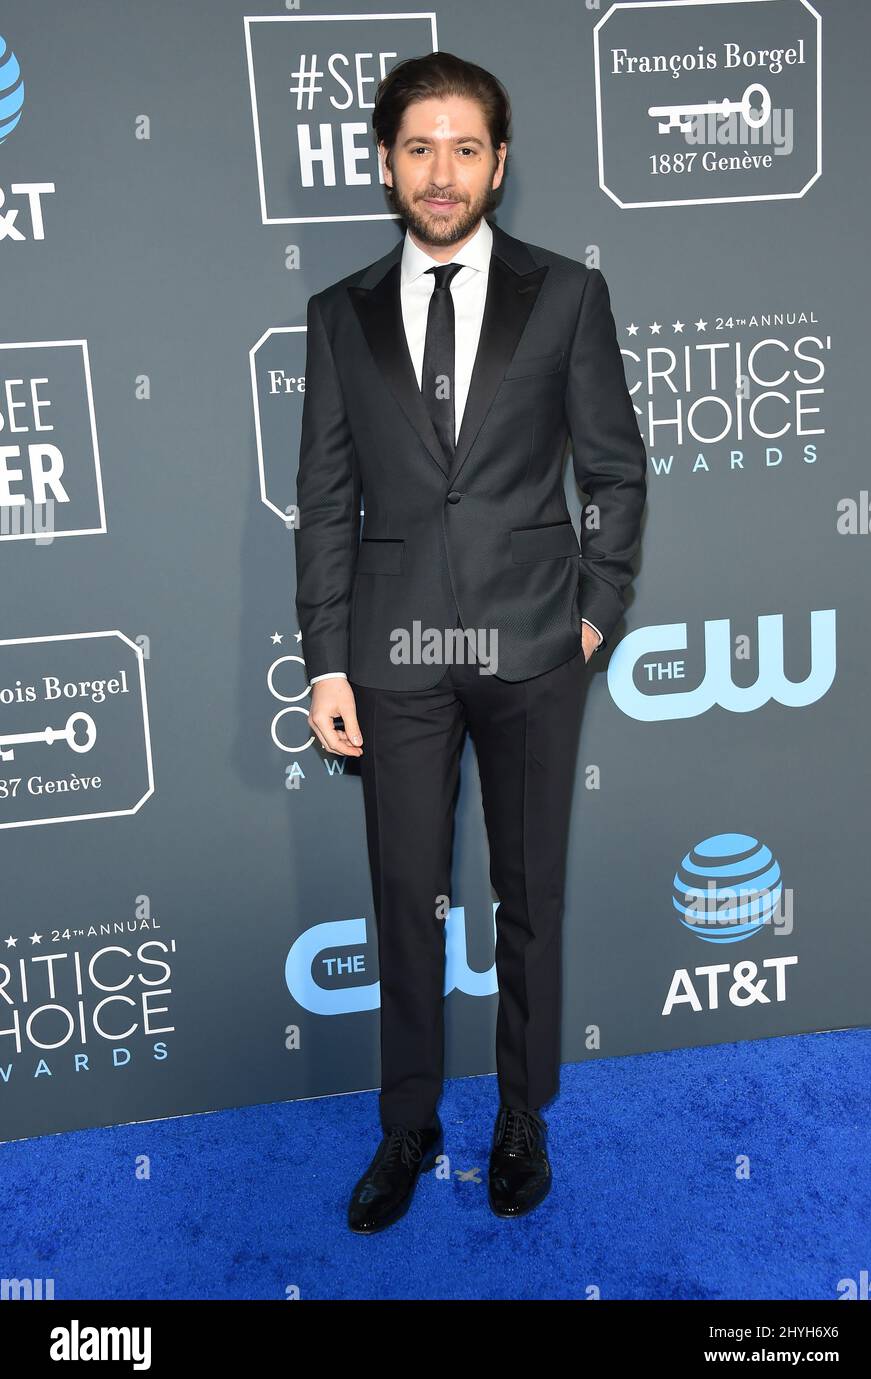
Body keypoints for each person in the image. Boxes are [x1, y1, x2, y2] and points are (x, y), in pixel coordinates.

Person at [295, 51, 647, 1232]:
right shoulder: (337, 314)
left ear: (499, 162)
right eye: (416, 148)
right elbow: (325, 493)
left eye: (463, 148)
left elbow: (613, 468)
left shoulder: (566, 296)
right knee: (403, 894)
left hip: (534, 645)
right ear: (384, 163)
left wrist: (592, 613)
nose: (439, 174)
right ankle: (407, 1123)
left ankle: (521, 1111)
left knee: (527, 891)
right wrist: (326, 659)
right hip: (390, 656)